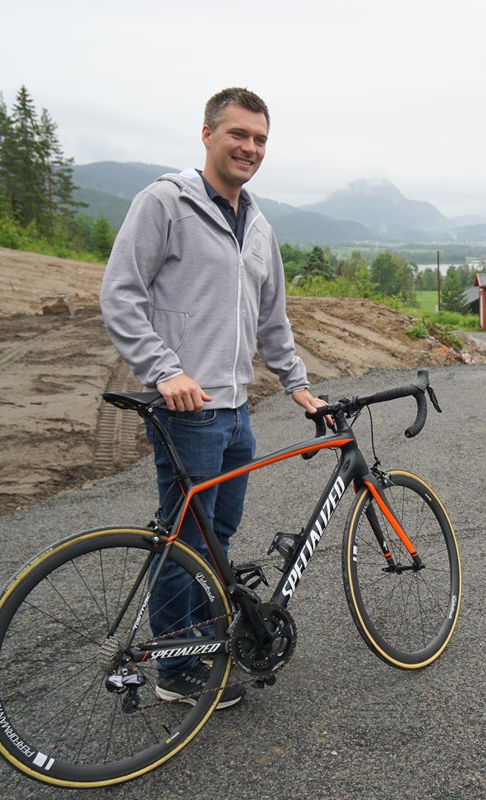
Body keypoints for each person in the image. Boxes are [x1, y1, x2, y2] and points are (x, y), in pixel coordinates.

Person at [101, 87, 325, 708]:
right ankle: (175, 670)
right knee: (185, 542)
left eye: (259, 140)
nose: (249, 148)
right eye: (238, 135)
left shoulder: (259, 228)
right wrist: (163, 369)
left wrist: (298, 386)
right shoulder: (165, 203)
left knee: (217, 537)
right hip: (186, 413)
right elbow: (120, 296)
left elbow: (271, 323)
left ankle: (199, 643)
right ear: (207, 134)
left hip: (236, 413)